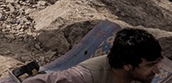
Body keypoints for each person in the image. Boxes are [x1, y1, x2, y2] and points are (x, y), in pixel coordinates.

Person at [22, 27, 163, 83]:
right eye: (150, 65)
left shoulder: (136, 77)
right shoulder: (85, 76)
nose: (157, 70)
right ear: (127, 66)